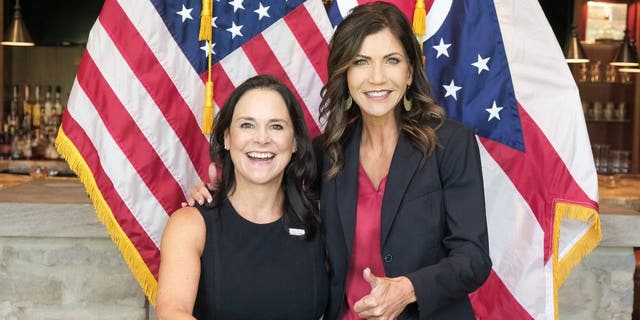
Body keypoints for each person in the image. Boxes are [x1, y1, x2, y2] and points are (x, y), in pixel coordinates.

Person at [187, 2, 491, 319]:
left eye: (392, 61)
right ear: (344, 74)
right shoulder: (325, 152)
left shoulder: (449, 144)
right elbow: (266, 190)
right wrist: (213, 193)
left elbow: (473, 257)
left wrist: (407, 289)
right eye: (361, 62)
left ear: (410, 71)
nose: (377, 77)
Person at [156, 75, 328, 319]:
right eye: (247, 125)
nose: (261, 138)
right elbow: (172, 312)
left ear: (295, 143)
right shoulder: (191, 224)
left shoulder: (319, 220)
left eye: (276, 126)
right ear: (227, 137)